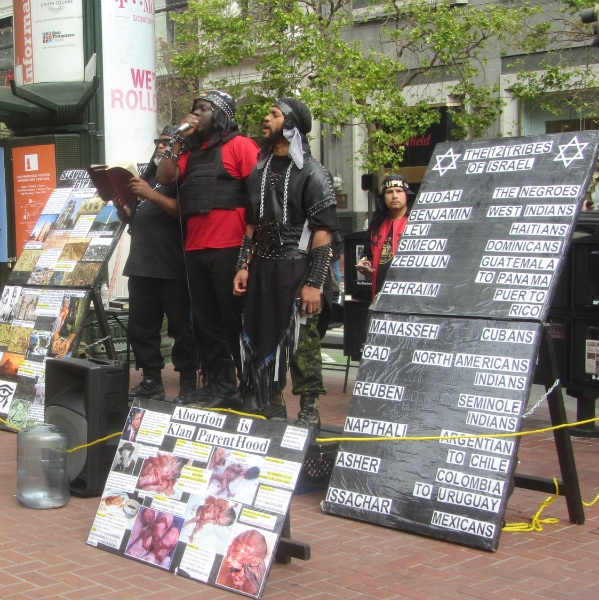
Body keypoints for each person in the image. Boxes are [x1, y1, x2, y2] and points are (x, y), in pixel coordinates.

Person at [233, 98, 339, 429]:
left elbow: (323, 233)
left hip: (299, 267)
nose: (266, 118)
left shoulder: (313, 171)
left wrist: (314, 284)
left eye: (274, 115)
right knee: (262, 336)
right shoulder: (258, 172)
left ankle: (309, 410)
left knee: (303, 342)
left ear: (291, 125)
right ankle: (271, 404)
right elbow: (251, 225)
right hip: (263, 269)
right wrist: (243, 265)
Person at [156, 91, 259, 408]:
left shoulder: (240, 145)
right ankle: (222, 386)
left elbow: (259, 197)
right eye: (194, 109)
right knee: (206, 323)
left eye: (203, 109)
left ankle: (251, 386)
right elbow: (164, 176)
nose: (196, 114)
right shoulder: (190, 153)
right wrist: (176, 140)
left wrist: (248, 252)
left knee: (234, 322)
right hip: (195, 248)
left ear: (222, 115)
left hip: (229, 247)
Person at [113, 125, 196, 403]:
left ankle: (187, 383)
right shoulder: (148, 175)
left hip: (173, 268)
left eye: (167, 143)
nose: (161, 147)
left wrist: (150, 194)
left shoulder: (181, 177)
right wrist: (120, 206)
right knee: (141, 328)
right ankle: (151, 380)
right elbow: (132, 219)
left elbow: (182, 213)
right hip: (141, 266)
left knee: (182, 329)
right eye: (159, 142)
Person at [357, 174, 414, 300]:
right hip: (379, 293)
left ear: (406, 194)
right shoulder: (376, 225)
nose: (394, 196)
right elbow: (368, 255)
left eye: (399, 191)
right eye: (389, 192)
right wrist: (365, 263)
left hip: (409, 295)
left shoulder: (417, 222)